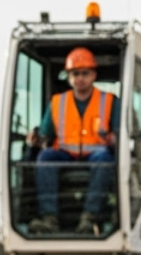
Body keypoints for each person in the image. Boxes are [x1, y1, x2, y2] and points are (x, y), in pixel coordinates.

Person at [29, 47, 118, 234]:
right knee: (45, 157)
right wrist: (37, 140)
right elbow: (46, 134)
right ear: (69, 76)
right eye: (75, 74)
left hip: (96, 154)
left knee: (104, 159)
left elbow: (120, 133)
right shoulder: (57, 102)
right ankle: (49, 219)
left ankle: (89, 218)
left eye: (85, 73)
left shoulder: (109, 100)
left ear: (93, 75)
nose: (80, 78)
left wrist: (113, 139)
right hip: (65, 154)